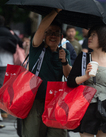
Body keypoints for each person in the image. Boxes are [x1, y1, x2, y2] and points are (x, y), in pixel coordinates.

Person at [67, 25, 106, 137]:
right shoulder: (83, 58)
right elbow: (70, 82)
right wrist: (85, 77)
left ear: (103, 38)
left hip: (105, 108)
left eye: (94, 35)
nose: (89, 38)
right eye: (90, 35)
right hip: (86, 108)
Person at [22, 9, 72, 137]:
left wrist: (64, 62)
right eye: (49, 32)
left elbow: (69, 76)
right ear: (44, 35)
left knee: (57, 134)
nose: (52, 36)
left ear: (61, 37)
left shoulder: (64, 53)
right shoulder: (37, 48)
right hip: (35, 101)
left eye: (56, 33)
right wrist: (55, 11)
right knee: (32, 134)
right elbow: (41, 28)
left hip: (56, 102)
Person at [0, 15, 19, 121]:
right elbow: (18, 43)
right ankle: (3, 109)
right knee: (4, 87)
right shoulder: (9, 33)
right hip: (8, 63)